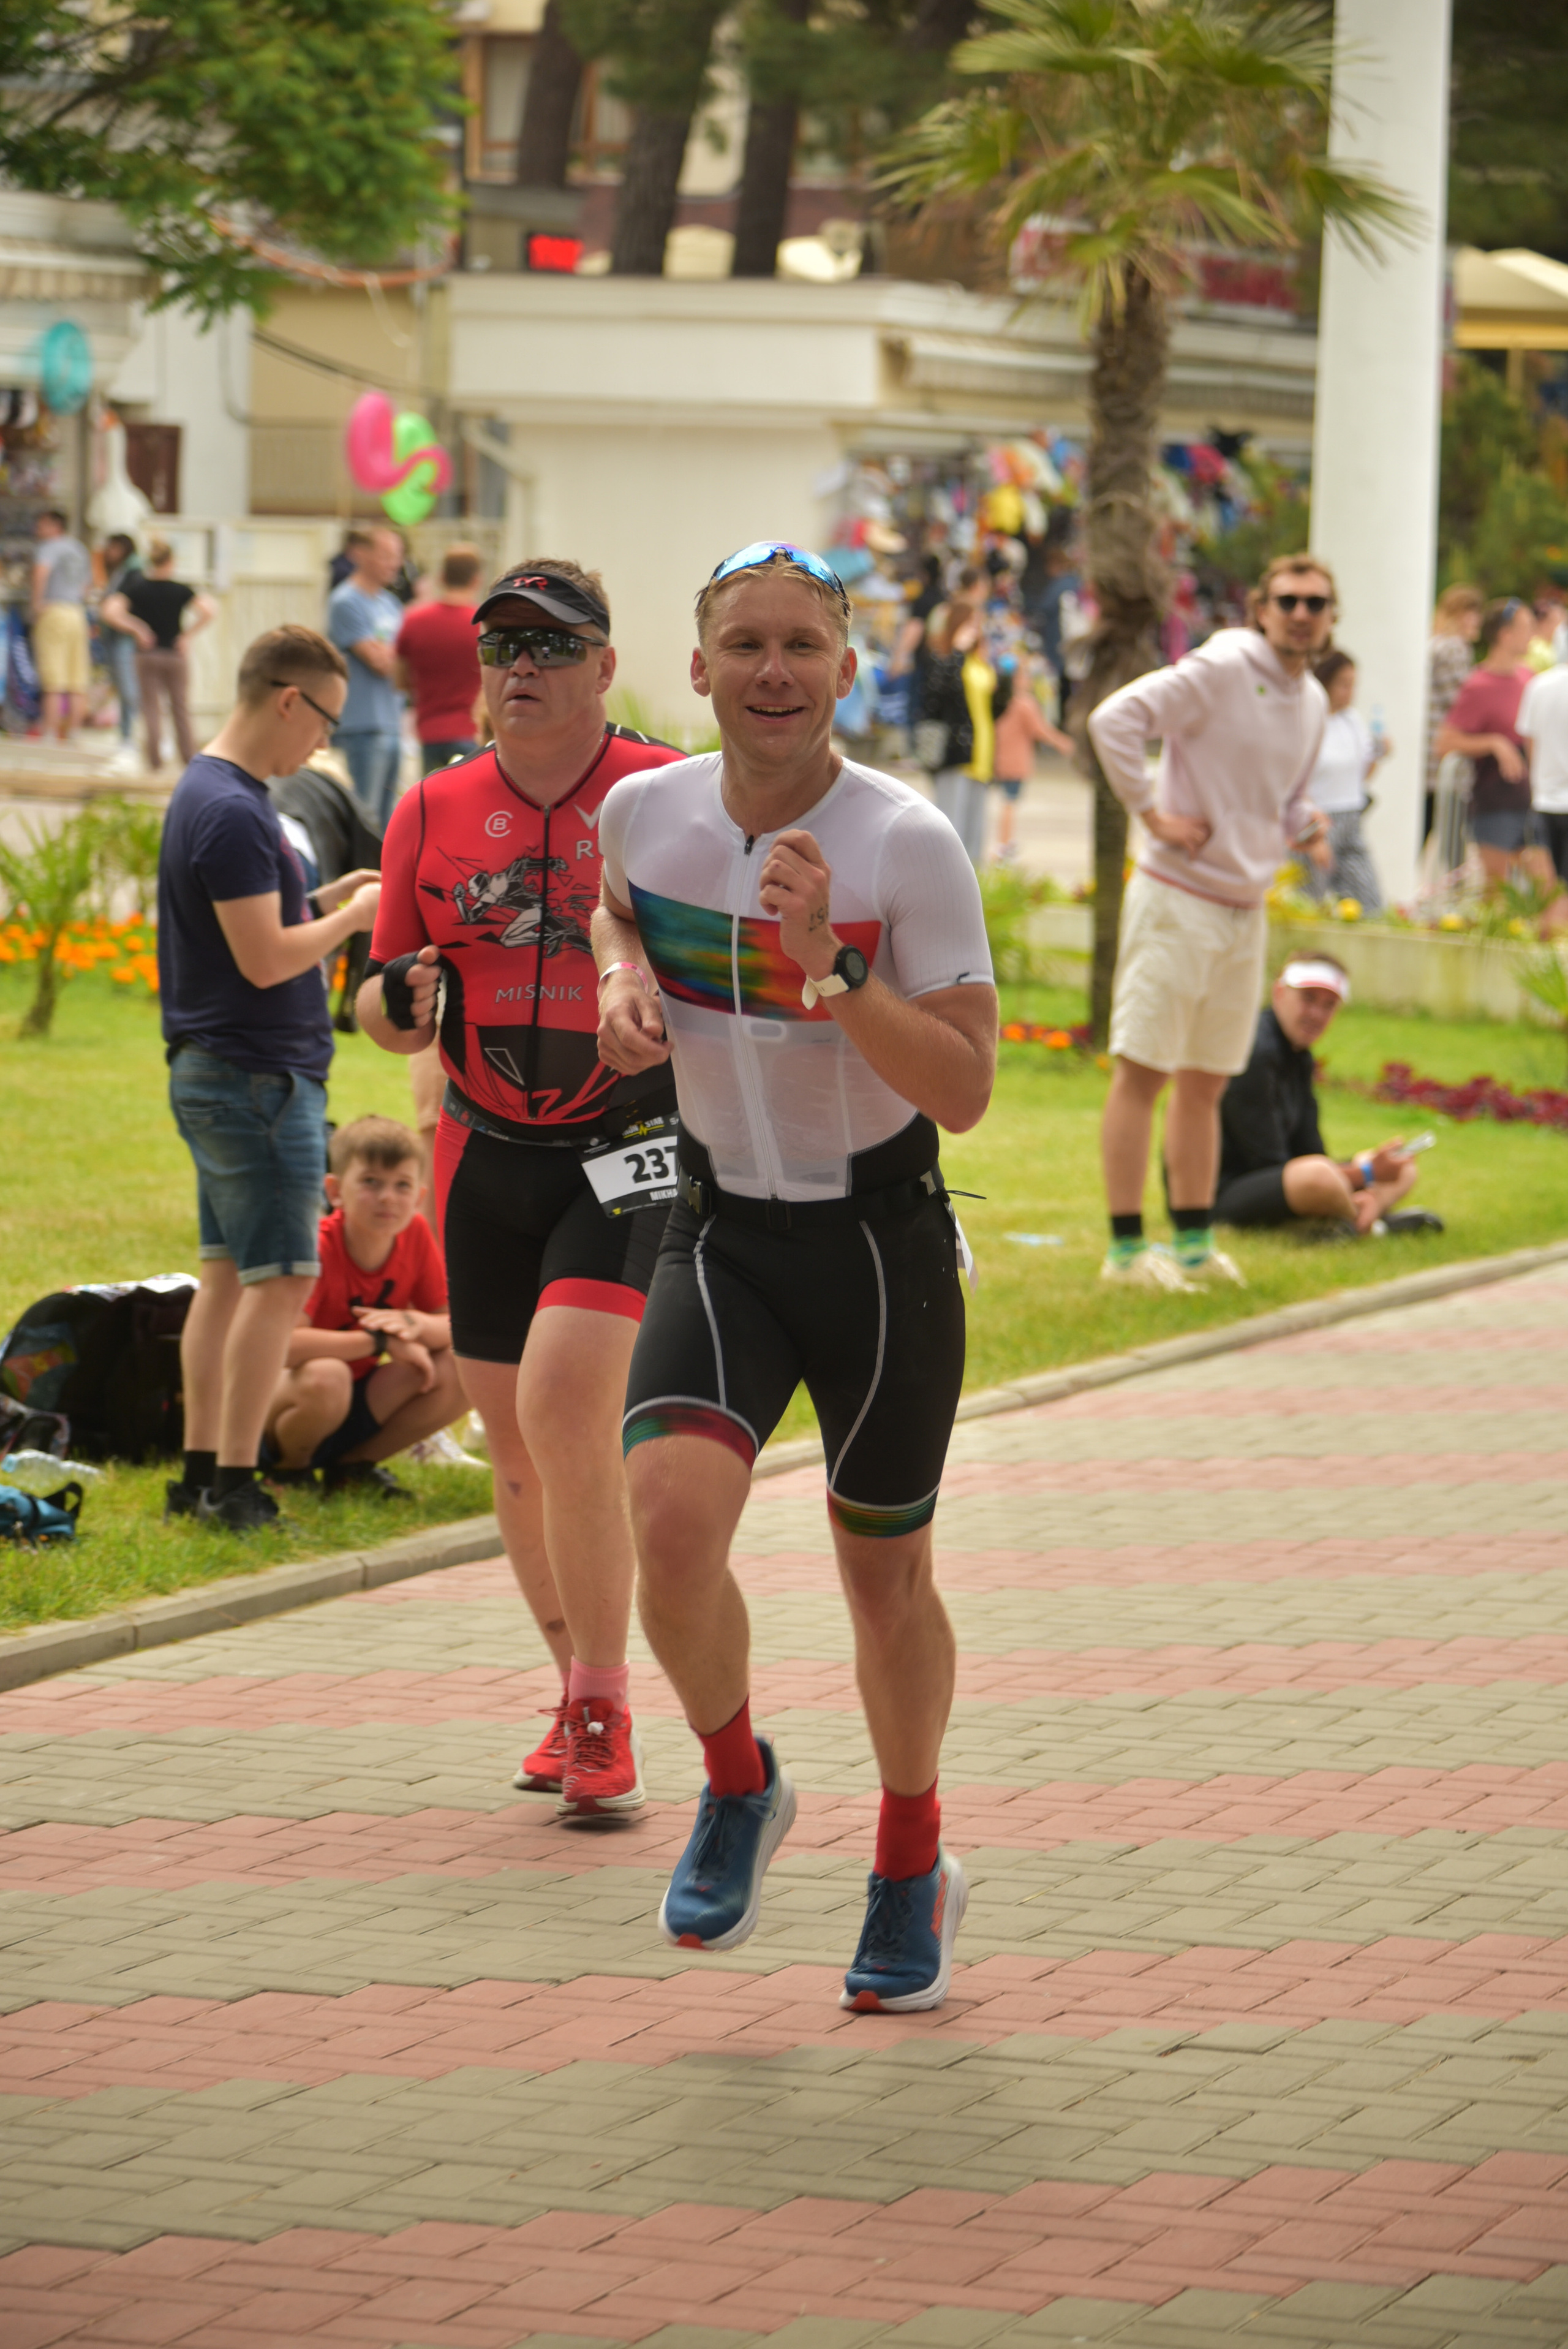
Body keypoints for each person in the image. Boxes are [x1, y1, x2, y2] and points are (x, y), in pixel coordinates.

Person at [595, 540, 997, 2011]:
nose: (774, 671)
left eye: (803, 646)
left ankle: (907, 1860)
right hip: (720, 1231)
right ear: (696, 669)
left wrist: (830, 964)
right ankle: (737, 1779)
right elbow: (615, 901)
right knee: (669, 1521)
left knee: (881, 1581)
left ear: (845, 667)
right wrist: (612, 971)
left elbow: (960, 1090)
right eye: (745, 644)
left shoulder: (906, 841)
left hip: (879, 1248)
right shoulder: (644, 812)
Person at [356, 561, 687, 1821]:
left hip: (632, 1149)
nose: (520, 670)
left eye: (551, 648)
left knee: (564, 1410)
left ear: (605, 667)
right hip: (481, 1154)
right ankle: (570, 1689)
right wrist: (396, 1003)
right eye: (501, 649)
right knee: (513, 1452)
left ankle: (606, 1708)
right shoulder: (431, 808)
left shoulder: (666, 791)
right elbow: (385, 1003)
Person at [157, 625, 382, 1530]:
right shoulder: (239, 810)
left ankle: (202, 1469)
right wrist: (354, 916)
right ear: (289, 699)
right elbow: (262, 960)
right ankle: (234, 1485)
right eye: (325, 718)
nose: (324, 741)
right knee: (281, 1280)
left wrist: (319, 901)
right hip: (259, 1079)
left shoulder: (211, 791)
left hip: (227, 1073)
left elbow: (251, 925)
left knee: (226, 1279)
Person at [1087, 551, 1334, 1295]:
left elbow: (1280, 796)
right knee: (1144, 1071)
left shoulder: (1313, 701)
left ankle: (1192, 1246)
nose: (1300, 614)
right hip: (1176, 896)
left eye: (1315, 604)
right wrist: (1152, 813)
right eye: (1287, 600)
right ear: (1261, 608)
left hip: (1243, 907)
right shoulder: (1226, 664)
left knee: (1205, 1082)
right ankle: (1126, 1253)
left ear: (1328, 619)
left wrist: (1304, 823)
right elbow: (1114, 719)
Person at [262, 1114, 464, 1494]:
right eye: (371, 1182)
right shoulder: (318, 1245)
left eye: (402, 1185)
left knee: (465, 1365)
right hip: (290, 1396)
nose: (388, 1197)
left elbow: (451, 1326)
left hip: (359, 1393)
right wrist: (379, 1342)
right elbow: (282, 1345)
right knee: (329, 1375)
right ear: (335, 1190)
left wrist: (412, 1324)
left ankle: (353, 1468)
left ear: (419, 1197)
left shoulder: (415, 1234)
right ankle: (291, 1471)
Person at [1216, 958, 1439, 1237]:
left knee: (1402, 1163)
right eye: (1308, 999)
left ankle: (1353, 1218)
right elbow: (1270, 1164)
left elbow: (1311, 1150)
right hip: (1228, 1191)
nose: (1317, 1015)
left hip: (1289, 1176)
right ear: (1279, 993)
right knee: (1320, 1177)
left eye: (1328, 1005)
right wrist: (1365, 1176)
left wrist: (1366, 1172)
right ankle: (1372, 1225)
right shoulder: (1256, 1053)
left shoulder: (1299, 1056)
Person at [1435, 596, 1557, 896]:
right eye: (1527, 627)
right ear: (1505, 634)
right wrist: (1494, 743)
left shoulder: (1529, 678)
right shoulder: (1479, 684)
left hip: (1533, 799)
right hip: (1495, 801)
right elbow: (1445, 742)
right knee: (1496, 891)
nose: (1533, 634)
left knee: (1546, 886)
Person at [102, 537, 216, 773]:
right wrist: (187, 636)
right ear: (171, 562)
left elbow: (110, 611)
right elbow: (209, 610)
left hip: (147, 654)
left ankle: (154, 762)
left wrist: (138, 629)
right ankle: (189, 759)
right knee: (181, 707)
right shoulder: (181, 590)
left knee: (151, 708)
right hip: (175, 654)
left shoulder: (137, 588)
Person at [326, 524, 407, 828]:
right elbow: (381, 663)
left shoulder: (390, 603)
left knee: (390, 821)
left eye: (398, 555)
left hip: (392, 722)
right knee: (365, 818)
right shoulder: (346, 601)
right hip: (362, 726)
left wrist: (391, 654)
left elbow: (401, 662)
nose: (394, 563)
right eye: (386, 555)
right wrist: (392, 655)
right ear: (361, 554)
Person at [921, 571, 997, 866]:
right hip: (955, 753)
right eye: (973, 624)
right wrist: (958, 652)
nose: (978, 630)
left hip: (981, 756)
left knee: (975, 839)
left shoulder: (978, 662)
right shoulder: (946, 661)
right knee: (952, 833)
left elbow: (995, 707)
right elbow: (937, 696)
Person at [1302, 649, 1385, 911]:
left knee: (1369, 901)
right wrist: (1313, 834)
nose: (1350, 692)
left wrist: (1381, 753)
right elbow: (1295, 781)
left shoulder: (1352, 720)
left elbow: (1362, 772)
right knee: (1308, 900)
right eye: (1344, 684)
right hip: (1318, 818)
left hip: (1351, 816)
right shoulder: (1308, 721)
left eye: (1353, 685)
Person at [395, 544, 484, 770]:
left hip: (429, 731)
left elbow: (399, 680)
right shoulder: (484, 626)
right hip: (472, 731)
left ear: (441, 578)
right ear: (477, 580)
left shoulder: (414, 620)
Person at [991, 649, 1074, 863]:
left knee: (1007, 802)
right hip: (1016, 762)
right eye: (1026, 674)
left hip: (998, 759)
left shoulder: (999, 698)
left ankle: (1005, 844)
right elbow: (1041, 730)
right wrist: (1063, 743)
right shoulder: (1024, 703)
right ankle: (1005, 845)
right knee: (1010, 803)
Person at [1425, 584, 1482, 849]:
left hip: (1429, 758)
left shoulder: (1435, 644)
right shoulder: (1454, 649)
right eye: (1472, 613)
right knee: (1451, 844)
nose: (1477, 621)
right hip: (1441, 759)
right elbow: (1462, 706)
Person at [31, 510, 92, 741]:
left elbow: (41, 572)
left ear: (55, 526)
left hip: (54, 611)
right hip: (77, 613)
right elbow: (88, 586)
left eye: (42, 524)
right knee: (77, 679)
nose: (38, 529)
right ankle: (74, 733)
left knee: (53, 678)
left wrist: (36, 604)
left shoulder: (49, 547)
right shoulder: (79, 549)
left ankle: (49, 732)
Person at [1518, 655, 1568, 885]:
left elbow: (1530, 744)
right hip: (1548, 800)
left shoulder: (1538, 685)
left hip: (1544, 802)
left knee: (1548, 893)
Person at [97, 532, 142, 759]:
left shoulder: (134, 573)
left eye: (113, 548)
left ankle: (130, 738)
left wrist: (136, 629)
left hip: (125, 639)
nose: (109, 552)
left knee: (129, 691)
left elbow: (118, 608)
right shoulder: (119, 572)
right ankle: (125, 737)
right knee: (123, 689)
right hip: (114, 637)